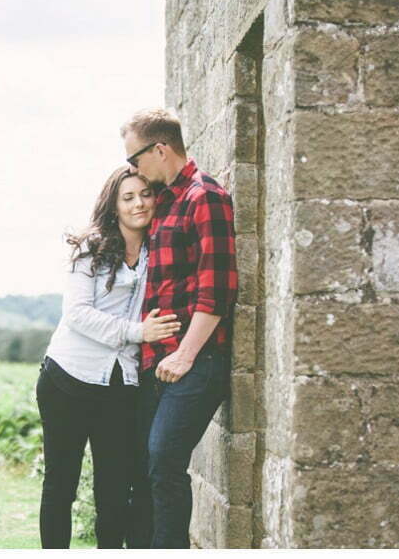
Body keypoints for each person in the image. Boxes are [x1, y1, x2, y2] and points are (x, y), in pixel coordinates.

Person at [35, 166, 182, 549]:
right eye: (128, 197)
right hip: (67, 378)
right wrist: (138, 332)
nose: (139, 204)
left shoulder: (158, 250)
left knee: (115, 490)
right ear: (114, 206)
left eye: (145, 195)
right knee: (61, 484)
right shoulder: (92, 249)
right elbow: (77, 314)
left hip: (120, 384)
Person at [120, 108, 238, 549]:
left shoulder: (204, 196)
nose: (133, 168)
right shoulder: (165, 200)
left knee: (165, 461)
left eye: (134, 158)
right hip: (157, 361)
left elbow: (218, 286)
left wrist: (185, 354)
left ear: (160, 149)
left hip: (195, 360)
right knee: (147, 467)